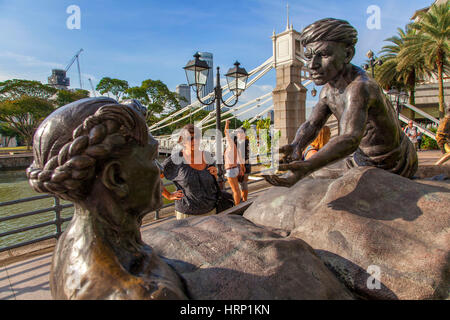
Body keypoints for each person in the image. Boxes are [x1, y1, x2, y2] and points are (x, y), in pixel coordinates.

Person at [26, 97, 186, 299]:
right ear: (117, 178)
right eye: (153, 158)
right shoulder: (141, 293)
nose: (159, 169)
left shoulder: (68, 245)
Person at [263, 18, 418, 188]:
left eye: (323, 55)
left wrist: (308, 166)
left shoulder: (360, 87)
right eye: (308, 56)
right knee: (311, 178)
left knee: (313, 177)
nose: (312, 65)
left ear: (348, 54)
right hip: (360, 159)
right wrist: (296, 145)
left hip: (391, 164)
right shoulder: (328, 90)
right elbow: (312, 124)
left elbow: (349, 138)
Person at [162, 124, 219, 220]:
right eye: (190, 138)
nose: (195, 141)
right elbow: (152, 179)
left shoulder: (207, 156)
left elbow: (212, 182)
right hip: (187, 214)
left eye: (197, 137)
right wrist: (169, 195)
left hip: (210, 211)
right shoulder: (176, 159)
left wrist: (215, 174)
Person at [224, 120, 245, 205]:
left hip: (231, 170)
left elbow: (226, 132)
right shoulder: (236, 147)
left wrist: (227, 124)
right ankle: (237, 205)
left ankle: (236, 206)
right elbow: (240, 159)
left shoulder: (231, 144)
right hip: (235, 168)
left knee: (235, 190)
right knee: (236, 189)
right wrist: (242, 169)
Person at [235, 127, 251, 202]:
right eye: (238, 132)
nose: (238, 134)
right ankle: (244, 199)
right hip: (246, 165)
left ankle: (244, 200)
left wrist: (242, 167)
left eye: (240, 132)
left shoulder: (242, 143)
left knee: (242, 184)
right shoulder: (247, 141)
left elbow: (241, 156)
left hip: (243, 166)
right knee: (242, 184)